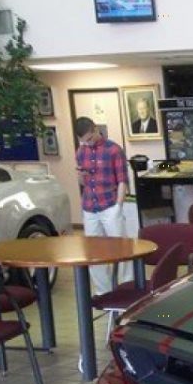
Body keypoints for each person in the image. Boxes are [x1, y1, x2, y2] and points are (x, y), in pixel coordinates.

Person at [74, 117, 131, 294]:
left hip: (110, 204)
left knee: (122, 250)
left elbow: (122, 181)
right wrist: (80, 174)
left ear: (96, 129)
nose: (88, 143)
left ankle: (127, 288)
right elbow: (81, 181)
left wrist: (118, 207)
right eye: (84, 141)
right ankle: (103, 292)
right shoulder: (81, 151)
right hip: (90, 206)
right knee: (94, 254)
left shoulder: (113, 150)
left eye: (90, 139)